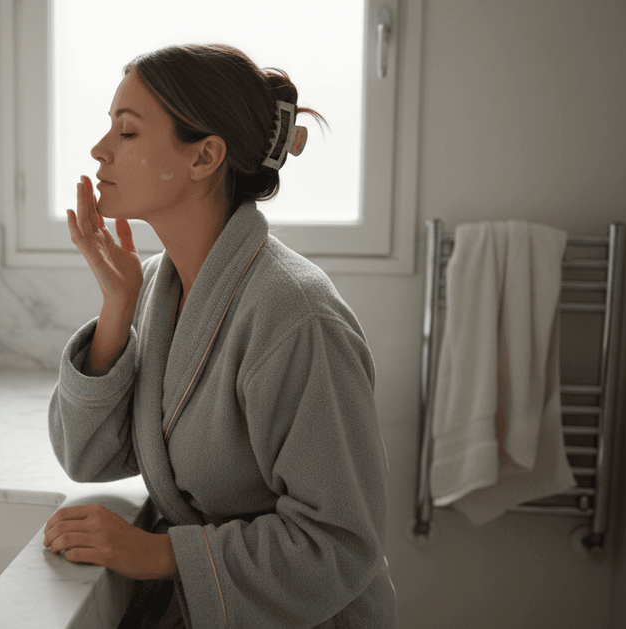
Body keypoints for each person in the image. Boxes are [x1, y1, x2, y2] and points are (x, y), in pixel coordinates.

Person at [43, 44, 397, 628]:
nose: (99, 149)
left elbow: (340, 545)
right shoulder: (160, 285)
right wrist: (116, 307)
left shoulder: (296, 316)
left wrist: (159, 553)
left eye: (127, 133)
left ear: (205, 156)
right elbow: (87, 458)